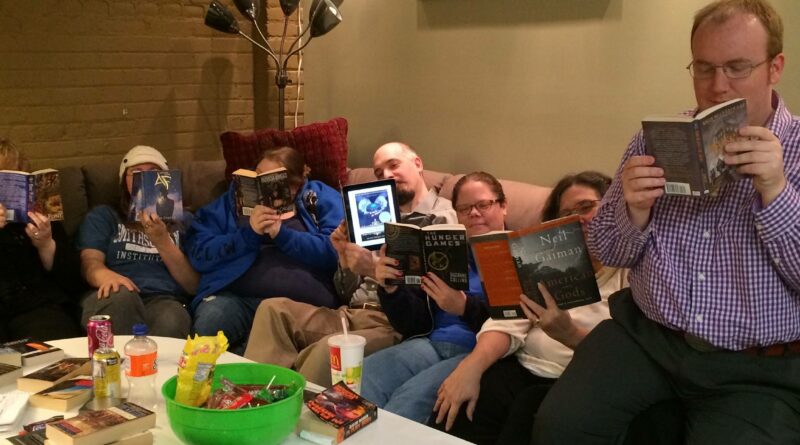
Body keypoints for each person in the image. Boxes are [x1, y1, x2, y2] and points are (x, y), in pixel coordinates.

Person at [533, 1, 800, 443]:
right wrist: (632, 212)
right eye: (704, 68)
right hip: (646, 338)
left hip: (758, 366)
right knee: (559, 427)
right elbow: (607, 251)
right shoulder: (655, 140)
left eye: (737, 68)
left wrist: (775, 190)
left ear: (775, 67)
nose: (718, 87)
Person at [429, 171, 627, 445]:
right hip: (520, 365)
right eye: (565, 213)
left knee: (527, 414)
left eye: (586, 207)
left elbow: (623, 360)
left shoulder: (629, 273)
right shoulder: (545, 260)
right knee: (452, 410)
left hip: (574, 378)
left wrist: (568, 332)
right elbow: (507, 320)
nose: (576, 219)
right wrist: (470, 367)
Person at [243, 142, 457, 385]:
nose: (386, 175)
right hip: (350, 313)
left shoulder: (442, 219)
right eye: (379, 173)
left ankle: (291, 410)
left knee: (329, 349)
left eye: (393, 165)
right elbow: (345, 291)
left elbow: (429, 297)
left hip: (391, 324)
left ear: (417, 164)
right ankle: (255, 401)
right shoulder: (375, 216)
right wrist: (343, 259)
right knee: (273, 309)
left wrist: (373, 268)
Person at [359, 171, 503, 424]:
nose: (474, 213)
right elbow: (412, 323)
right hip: (429, 344)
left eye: (483, 204)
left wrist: (465, 307)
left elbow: (517, 322)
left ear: (503, 206)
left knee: (409, 400)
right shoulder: (444, 250)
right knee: (364, 377)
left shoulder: (517, 255)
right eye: (465, 208)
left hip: (479, 353)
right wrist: (391, 289)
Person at [187, 146, 344, 352]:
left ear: (296, 185)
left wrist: (282, 235)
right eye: (258, 176)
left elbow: (336, 250)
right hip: (238, 299)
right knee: (211, 323)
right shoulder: (232, 201)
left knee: (256, 350)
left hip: (300, 304)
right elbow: (199, 251)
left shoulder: (318, 197)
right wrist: (249, 234)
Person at [77, 145, 196, 337]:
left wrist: (162, 241)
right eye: (136, 173)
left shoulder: (185, 221)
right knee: (123, 299)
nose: (145, 180)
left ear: (166, 181)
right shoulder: (105, 216)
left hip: (163, 299)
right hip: (116, 294)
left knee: (172, 318)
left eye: (153, 173)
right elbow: (89, 262)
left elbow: (192, 285)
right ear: (124, 181)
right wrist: (103, 275)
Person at [0, 139, 83, 341]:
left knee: (56, 348)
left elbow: (73, 280)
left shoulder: (40, 210)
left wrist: (46, 245)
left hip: (37, 306)